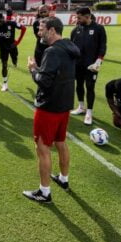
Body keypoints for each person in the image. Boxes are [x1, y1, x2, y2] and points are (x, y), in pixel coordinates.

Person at [23, 17, 80, 203]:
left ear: (52, 30)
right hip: (64, 104)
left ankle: (44, 192)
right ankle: (63, 179)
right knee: (60, 141)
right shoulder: (69, 46)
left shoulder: (52, 51)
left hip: (49, 106)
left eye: (42, 29)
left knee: (42, 147)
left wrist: (33, 69)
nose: (39, 33)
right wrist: (40, 69)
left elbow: (44, 82)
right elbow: (55, 75)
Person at [70, 6, 107, 125]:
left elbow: (103, 46)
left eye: (79, 18)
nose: (77, 20)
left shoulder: (99, 28)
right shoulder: (76, 30)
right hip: (78, 64)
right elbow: (72, 47)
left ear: (87, 16)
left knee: (90, 87)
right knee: (79, 85)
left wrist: (98, 61)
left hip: (92, 65)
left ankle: (89, 112)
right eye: (77, 17)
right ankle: (81, 107)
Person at [0, 12, 26, 92]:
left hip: (12, 47)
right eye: (0, 20)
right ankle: (5, 84)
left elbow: (24, 28)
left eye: (3, 19)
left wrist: (18, 42)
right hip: (3, 49)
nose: (2, 21)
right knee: (4, 65)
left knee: (14, 60)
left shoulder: (11, 23)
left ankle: (14, 61)